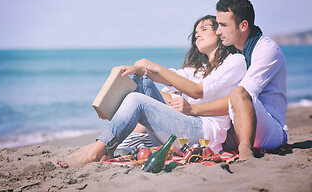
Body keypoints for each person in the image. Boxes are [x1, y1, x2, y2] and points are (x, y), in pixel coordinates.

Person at [65, 15, 247, 168]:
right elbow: (166, 77)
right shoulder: (197, 69)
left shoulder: (234, 61)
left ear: (220, 32)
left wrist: (153, 67)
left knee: (137, 100)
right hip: (185, 126)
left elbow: (197, 91)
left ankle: (100, 148)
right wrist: (138, 69)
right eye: (196, 31)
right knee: (141, 82)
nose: (197, 33)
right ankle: (110, 139)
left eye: (204, 29)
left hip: (202, 136)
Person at [194, 0, 287, 160]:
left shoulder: (266, 50)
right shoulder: (235, 51)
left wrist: (192, 108)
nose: (218, 31)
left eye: (223, 25)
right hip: (237, 121)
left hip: (269, 129)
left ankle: (245, 151)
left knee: (239, 92)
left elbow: (243, 95)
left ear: (243, 25)